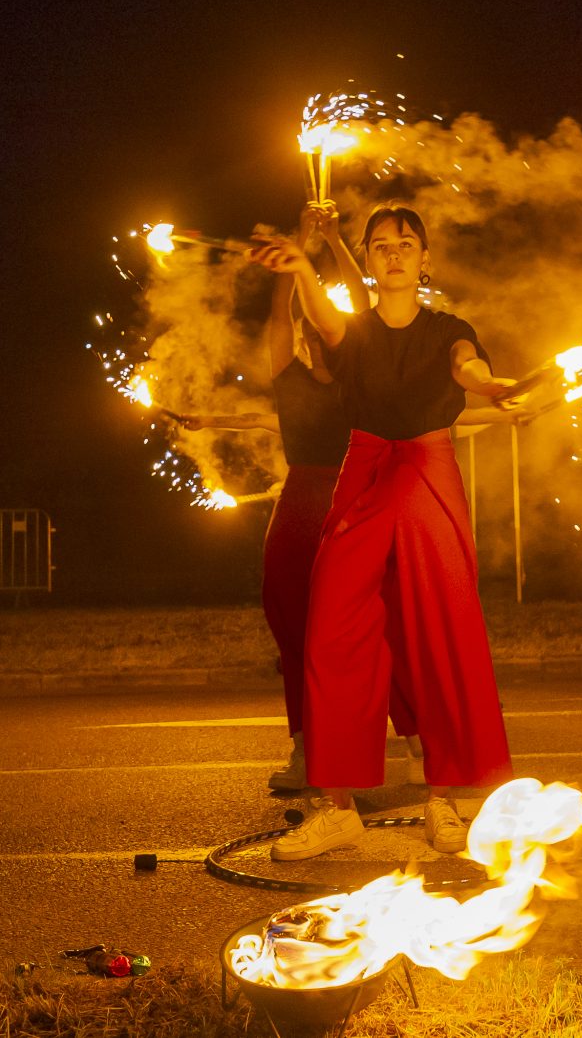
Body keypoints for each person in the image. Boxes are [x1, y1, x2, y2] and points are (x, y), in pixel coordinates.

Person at [251, 203, 525, 861]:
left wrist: (490, 384)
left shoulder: (448, 328)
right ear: (369, 261)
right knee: (329, 627)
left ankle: (444, 803)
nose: (394, 253)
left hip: (427, 468)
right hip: (367, 469)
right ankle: (337, 806)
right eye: (381, 246)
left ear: (423, 259)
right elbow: (325, 321)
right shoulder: (357, 333)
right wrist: (299, 268)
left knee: (436, 632)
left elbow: (466, 365)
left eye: (406, 244)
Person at [181, 202, 424, 790]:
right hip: (297, 511)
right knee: (292, 624)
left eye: (323, 332)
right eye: (308, 332)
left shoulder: (357, 379)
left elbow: (364, 311)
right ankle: (304, 750)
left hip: (351, 504)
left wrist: (335, 241)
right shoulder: (288, 379)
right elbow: (276, 325)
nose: (315, 337)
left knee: (375, 623)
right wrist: (294, 254)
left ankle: (417, 747)